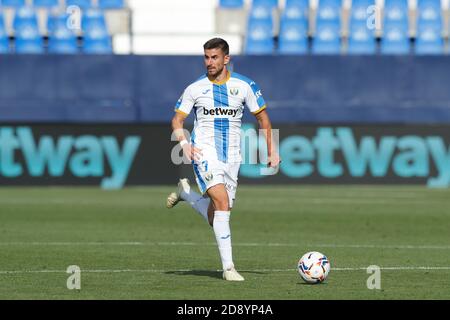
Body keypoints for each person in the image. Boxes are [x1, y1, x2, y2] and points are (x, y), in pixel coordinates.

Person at [167, 38, 280, 281]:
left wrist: (272, 150)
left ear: (226, 58)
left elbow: (263, 119)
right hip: (204, 151)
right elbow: (177, 120)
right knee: (221, 200)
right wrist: (185, 144)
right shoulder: (195, 88)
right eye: (206, 57)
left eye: (214, 57)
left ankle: (186, 194)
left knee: (216, 213)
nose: (209, 62)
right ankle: (228, 268)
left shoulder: (245, 85)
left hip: (232, 157)